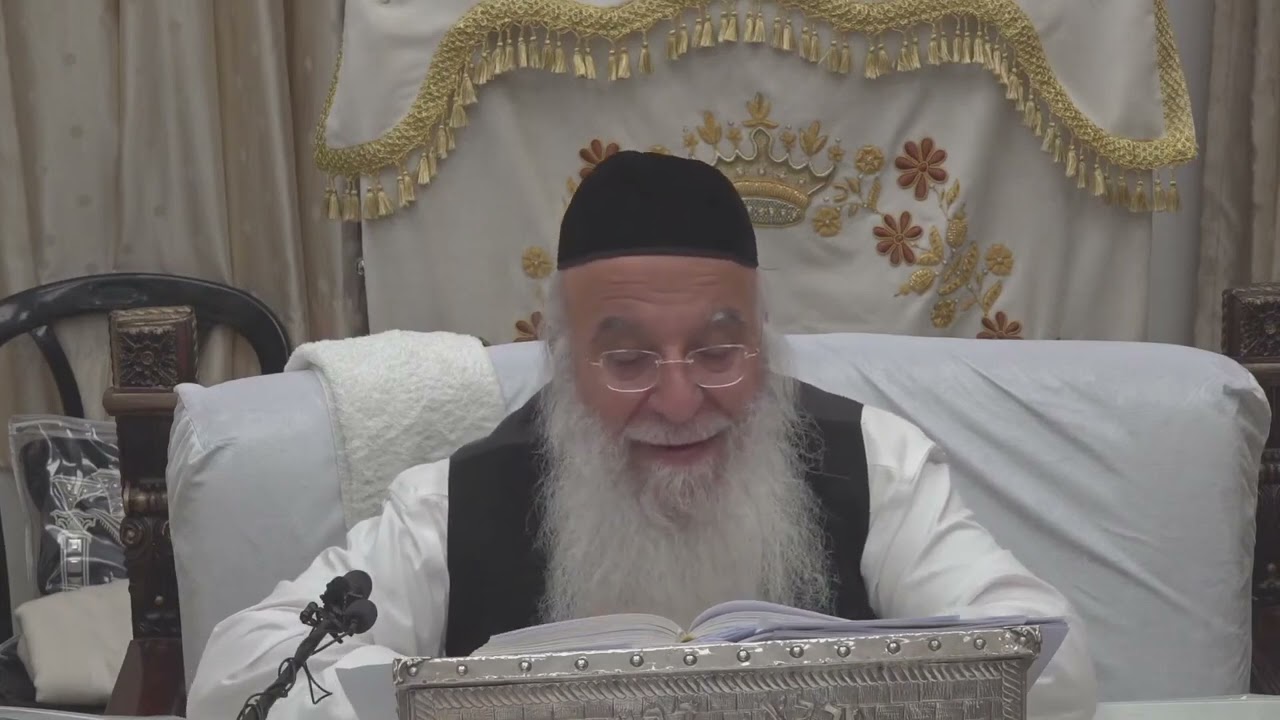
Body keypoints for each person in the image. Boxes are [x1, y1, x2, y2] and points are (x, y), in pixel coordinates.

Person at [188, 151, 1097, 720]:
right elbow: (240, 672)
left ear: (763, 339)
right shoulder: (460, 500)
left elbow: (1050, 661)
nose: (678, 399)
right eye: (627, 361)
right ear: (565, 359)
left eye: (718, 351)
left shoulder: (874, 462)